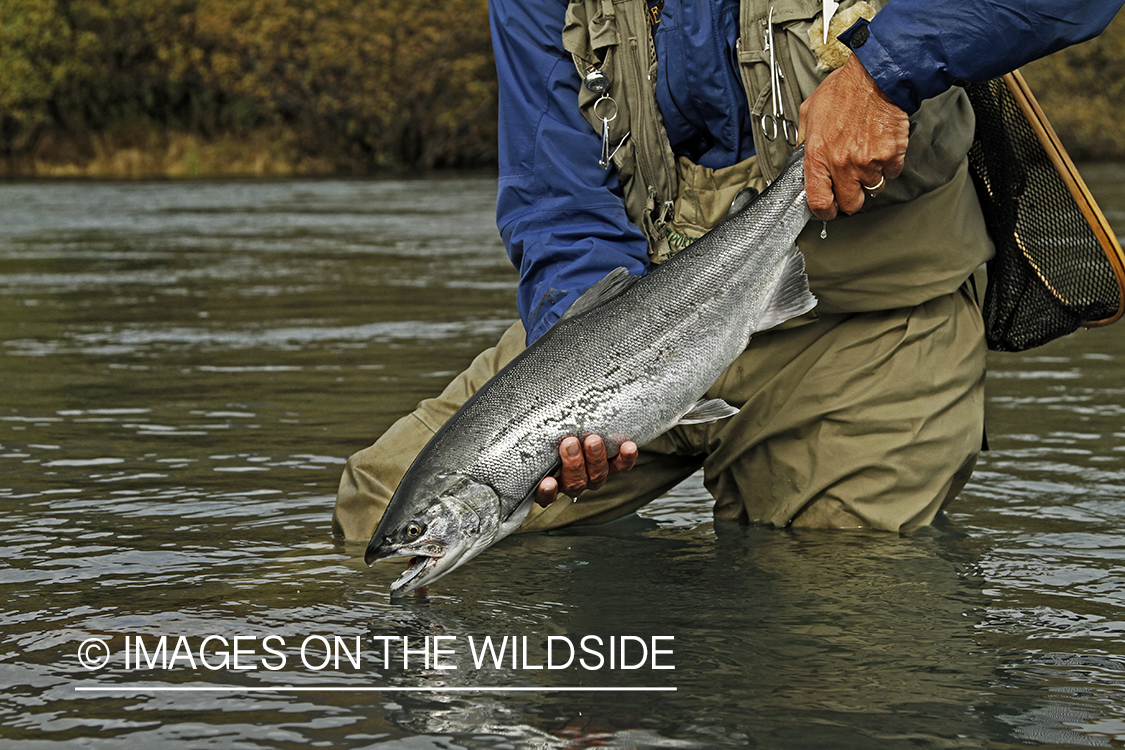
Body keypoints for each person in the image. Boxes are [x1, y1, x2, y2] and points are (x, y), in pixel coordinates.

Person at [334, 0, 1123, 542]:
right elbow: (556, 201)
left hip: (864, 324)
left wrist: (886, 73)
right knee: (380, 515)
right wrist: (582, 383)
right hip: (645, 316)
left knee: (829, 611)